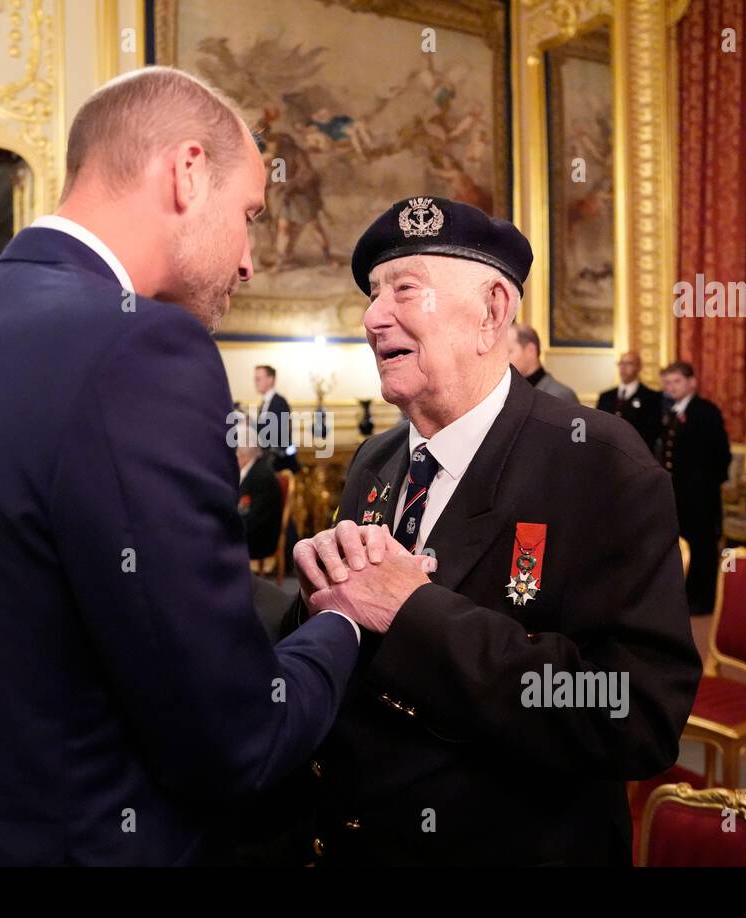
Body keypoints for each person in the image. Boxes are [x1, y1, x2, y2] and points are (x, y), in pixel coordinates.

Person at [0, 66, 360, 865]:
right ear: (188, 172)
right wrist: (343, 623)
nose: (249, 261)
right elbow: (233, 737)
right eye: (250, 215)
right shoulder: (144, 347)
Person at [253, 196, 700, 865]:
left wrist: (414, 611)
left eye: (404, 287)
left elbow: (634, 716)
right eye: (373, 295)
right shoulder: (376, 460)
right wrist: (315, 595)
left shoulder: (600, 464)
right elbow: (351, 645)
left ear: (493, 311)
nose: (374, 317)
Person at [658, 361, 732, 615]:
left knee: (702, 547)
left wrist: (704, 486)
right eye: (667, 383)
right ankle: (686, 593)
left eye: (677, 381)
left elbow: (722, 455)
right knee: (680, 545)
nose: (671, 387)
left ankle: (705, 598)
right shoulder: (670, 412)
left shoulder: (706, 411)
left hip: (700, 495)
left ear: (692, 382)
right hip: (676, 494)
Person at [596, 350, 662, 451]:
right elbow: (599, 426)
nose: (623, 367)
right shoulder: (606, 397)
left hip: (637, 454)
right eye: (621, 363)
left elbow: (651, 432)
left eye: (629, 363)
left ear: (639, 367)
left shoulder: (651, 397)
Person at [237, 425, 283, 562]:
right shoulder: (250, 469)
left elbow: (252, 520)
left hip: (259, 540)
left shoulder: (261, 476)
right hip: (246, 533)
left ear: (241, 452)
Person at [506, 323, 579, 404]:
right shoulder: (507, 393)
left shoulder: (560, 396)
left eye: (509, 352)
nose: (503, 359)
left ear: (530, 350)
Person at [253, 364, 300, 472]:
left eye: (258, 379)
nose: (255, 382)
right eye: (255, 379)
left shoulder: (279, 402)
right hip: (269, 461)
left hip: (279, 463)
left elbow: (276, 433)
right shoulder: (264, 404)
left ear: (270, 379)